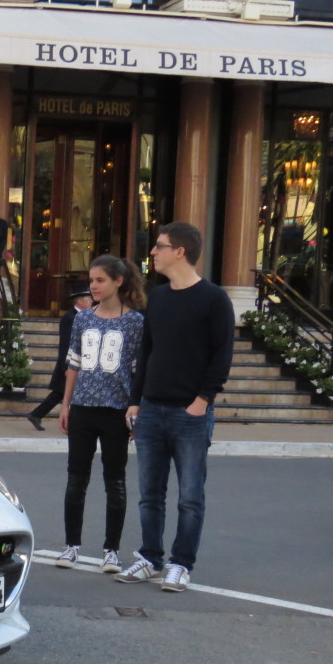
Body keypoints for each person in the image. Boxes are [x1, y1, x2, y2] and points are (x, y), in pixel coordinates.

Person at [115, 222, 234, 593]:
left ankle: (181, 564)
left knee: (189, 496)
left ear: (180, 251)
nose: (153, 252)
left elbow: (222, 356)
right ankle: (150, 557)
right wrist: (135, 401)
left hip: (190, 412)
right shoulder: (160, 297)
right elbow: (146, 353)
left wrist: (202, 402)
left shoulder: (215, 299)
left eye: (160, 246)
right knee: (149, 493)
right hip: (151, 409)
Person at [54, 257, 146, 575]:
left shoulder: (135, 322)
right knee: (76, 479)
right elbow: (73, 364)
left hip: (116, 410)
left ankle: (111, 550)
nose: (93, 286)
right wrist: (65, 404)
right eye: (91, 280)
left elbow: (138, 371)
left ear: (118, 282)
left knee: (114, 480)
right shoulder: (82, 319)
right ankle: (71, 546)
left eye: (100, 280)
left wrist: (136, 407)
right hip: (82, 408)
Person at [26, 288, 93, 430]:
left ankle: (37, 414)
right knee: (61, 392)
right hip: (69, 363)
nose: (91, 302)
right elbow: (67, 344)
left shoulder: (82, 316)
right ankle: (38, 415)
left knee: (60, 393)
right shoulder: (71, 317)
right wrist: (67, 365)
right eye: (88, 299)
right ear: (80, 301)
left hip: (75, 362)